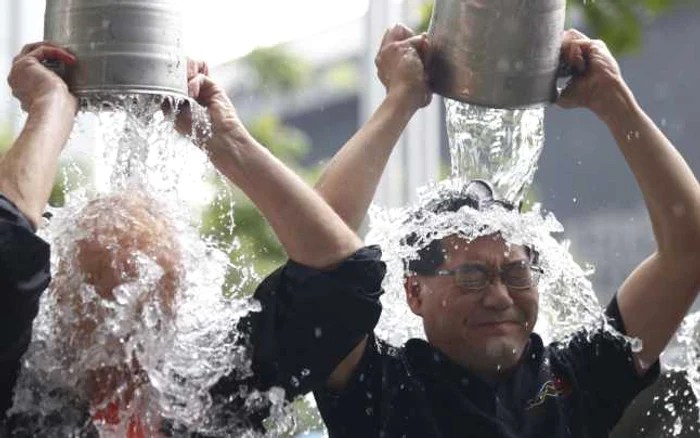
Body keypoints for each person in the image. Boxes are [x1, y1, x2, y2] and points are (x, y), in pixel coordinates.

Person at [241, 25, 700, 437]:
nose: (500, 296)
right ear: (414, 293)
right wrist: (401, 100)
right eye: (472, 277)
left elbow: (690, 250)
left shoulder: (571, 380)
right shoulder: (381, 384)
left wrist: (615, 101)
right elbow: (321, 255)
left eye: (517, 274)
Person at [0, 42, 364, 436]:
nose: (122, 325)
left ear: (177, 304)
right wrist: (50, 106)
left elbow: (345, 283)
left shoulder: (207, 390)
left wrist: (228, 140)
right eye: (101, 294)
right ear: (58, 299)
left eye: (148, 300)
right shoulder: (25, 394)